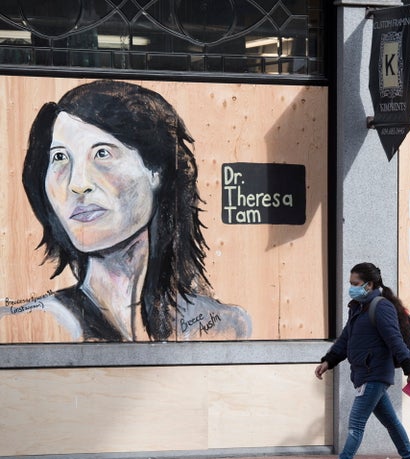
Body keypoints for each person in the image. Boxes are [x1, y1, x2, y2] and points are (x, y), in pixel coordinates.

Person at [4, 79, 251, 342]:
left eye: (102, 154)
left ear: (157, 171)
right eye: (60, 157)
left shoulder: (222, 325)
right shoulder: (35, 324)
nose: (78, 184)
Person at [312, 262, 410, 459]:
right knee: (392, 423)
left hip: (375, 374)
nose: (351, 288)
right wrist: (329, 360)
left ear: (369, 284)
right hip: (365, 373)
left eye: (355, 284)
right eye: (350, 284)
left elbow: (395, 341)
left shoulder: (380, 307)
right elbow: (346, 339)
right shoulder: (358, 307)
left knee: (356, 424)